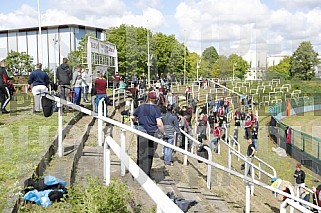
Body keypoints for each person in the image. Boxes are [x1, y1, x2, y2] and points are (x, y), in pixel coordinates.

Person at [131, 91, 164, 178]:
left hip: (141, 132)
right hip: (152, 133)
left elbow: (133, 117)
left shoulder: (141, 107)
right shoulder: (156, 109)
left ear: (148, 98)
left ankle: (138, 172)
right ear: (155, 99)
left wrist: (135, 122)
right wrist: (163, 132)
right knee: (149, 153)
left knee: (141, 152)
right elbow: (159, 123)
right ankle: (146, 174)